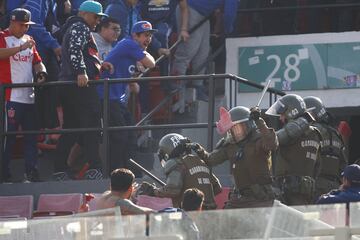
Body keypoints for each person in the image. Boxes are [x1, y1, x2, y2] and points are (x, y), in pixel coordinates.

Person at [54, 0, 113, 180]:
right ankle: (95, 168)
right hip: (79, 86)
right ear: (85, 14)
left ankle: (59, 170)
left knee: (71, 128)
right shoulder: (80, 26)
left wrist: (100, 65)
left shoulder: (72, 27)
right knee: (91, 126)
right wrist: (81, 72)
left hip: (68, 85)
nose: (97, 21)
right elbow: (75, 50)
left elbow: (79, 52)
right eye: (96, 17)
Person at [97, 20, 156, 172]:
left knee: (130, 135)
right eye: (145, 35)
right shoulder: (129, 44)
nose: (148, 39)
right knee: (120, 136)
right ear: (135, 36)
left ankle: (130, 171)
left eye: (150, 36)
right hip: (107, 97)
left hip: (117, 99)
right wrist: (144, 54)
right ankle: (114, 173)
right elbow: (151, 63)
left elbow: (134, 86)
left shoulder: (131, 49)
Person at [191, 106, 278, 208]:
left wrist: (259, 121)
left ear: (248, 125)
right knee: (225, 221)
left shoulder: (259, 140)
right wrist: (198, 149)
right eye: (230, 130)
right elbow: (211, 160)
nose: (233, 133)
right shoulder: (231, 146)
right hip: (238, 198)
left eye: (236, 128)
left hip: (260, 198)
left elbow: (272, 144)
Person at [0, 8, 47, 182]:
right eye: (22, 25)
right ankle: (4, 174)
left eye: (27, 25)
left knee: (32, 137)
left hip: (29, 96)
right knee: (7, 138)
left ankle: (31, 172)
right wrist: (21, 47)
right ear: (12, 22)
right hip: (9, 97)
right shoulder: (2, 36)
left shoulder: (29, 40)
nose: (25, 28)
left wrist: (42, 73)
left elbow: (38, 62)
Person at [171, 0, 238, 106]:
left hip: (202, 15)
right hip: (189, 10)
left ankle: (198, 88)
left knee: (203, 53)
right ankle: (177, 93)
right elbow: (229, 14)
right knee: (186, 53)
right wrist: (227, 30)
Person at [138, 133, 222, 209]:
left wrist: (153, 191)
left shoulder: (176, 163)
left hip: (191, 213)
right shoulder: (200, 161)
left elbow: (173, 190)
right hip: (210, 212)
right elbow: (217, 188)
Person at [266, 94, 321, 205]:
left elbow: (271, 141)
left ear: (292, 112)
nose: (281, 118)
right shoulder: (316, 134)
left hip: (288, 192)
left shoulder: (290, 134)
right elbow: (318, 166)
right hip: (307, 192)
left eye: (282, 114)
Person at [304, 96, 348, 201]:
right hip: (335, 185)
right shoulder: (336, 134)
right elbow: (343, 164)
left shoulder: (311, 132)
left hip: (316, 184)